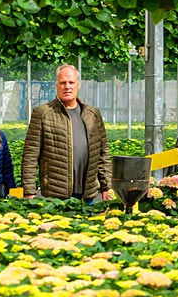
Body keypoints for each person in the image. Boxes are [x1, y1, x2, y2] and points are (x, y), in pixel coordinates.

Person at [22, 64, 112, 202]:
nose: (67, 86)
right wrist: (29, 192)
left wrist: (107, 187)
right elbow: (30, 156)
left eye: (71, 82)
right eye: (63, 83)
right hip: (56, 194)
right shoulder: (42, 113)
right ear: (57, 85)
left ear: (78, 85)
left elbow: (103, 153)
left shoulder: (92, 114)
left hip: (87, 193)